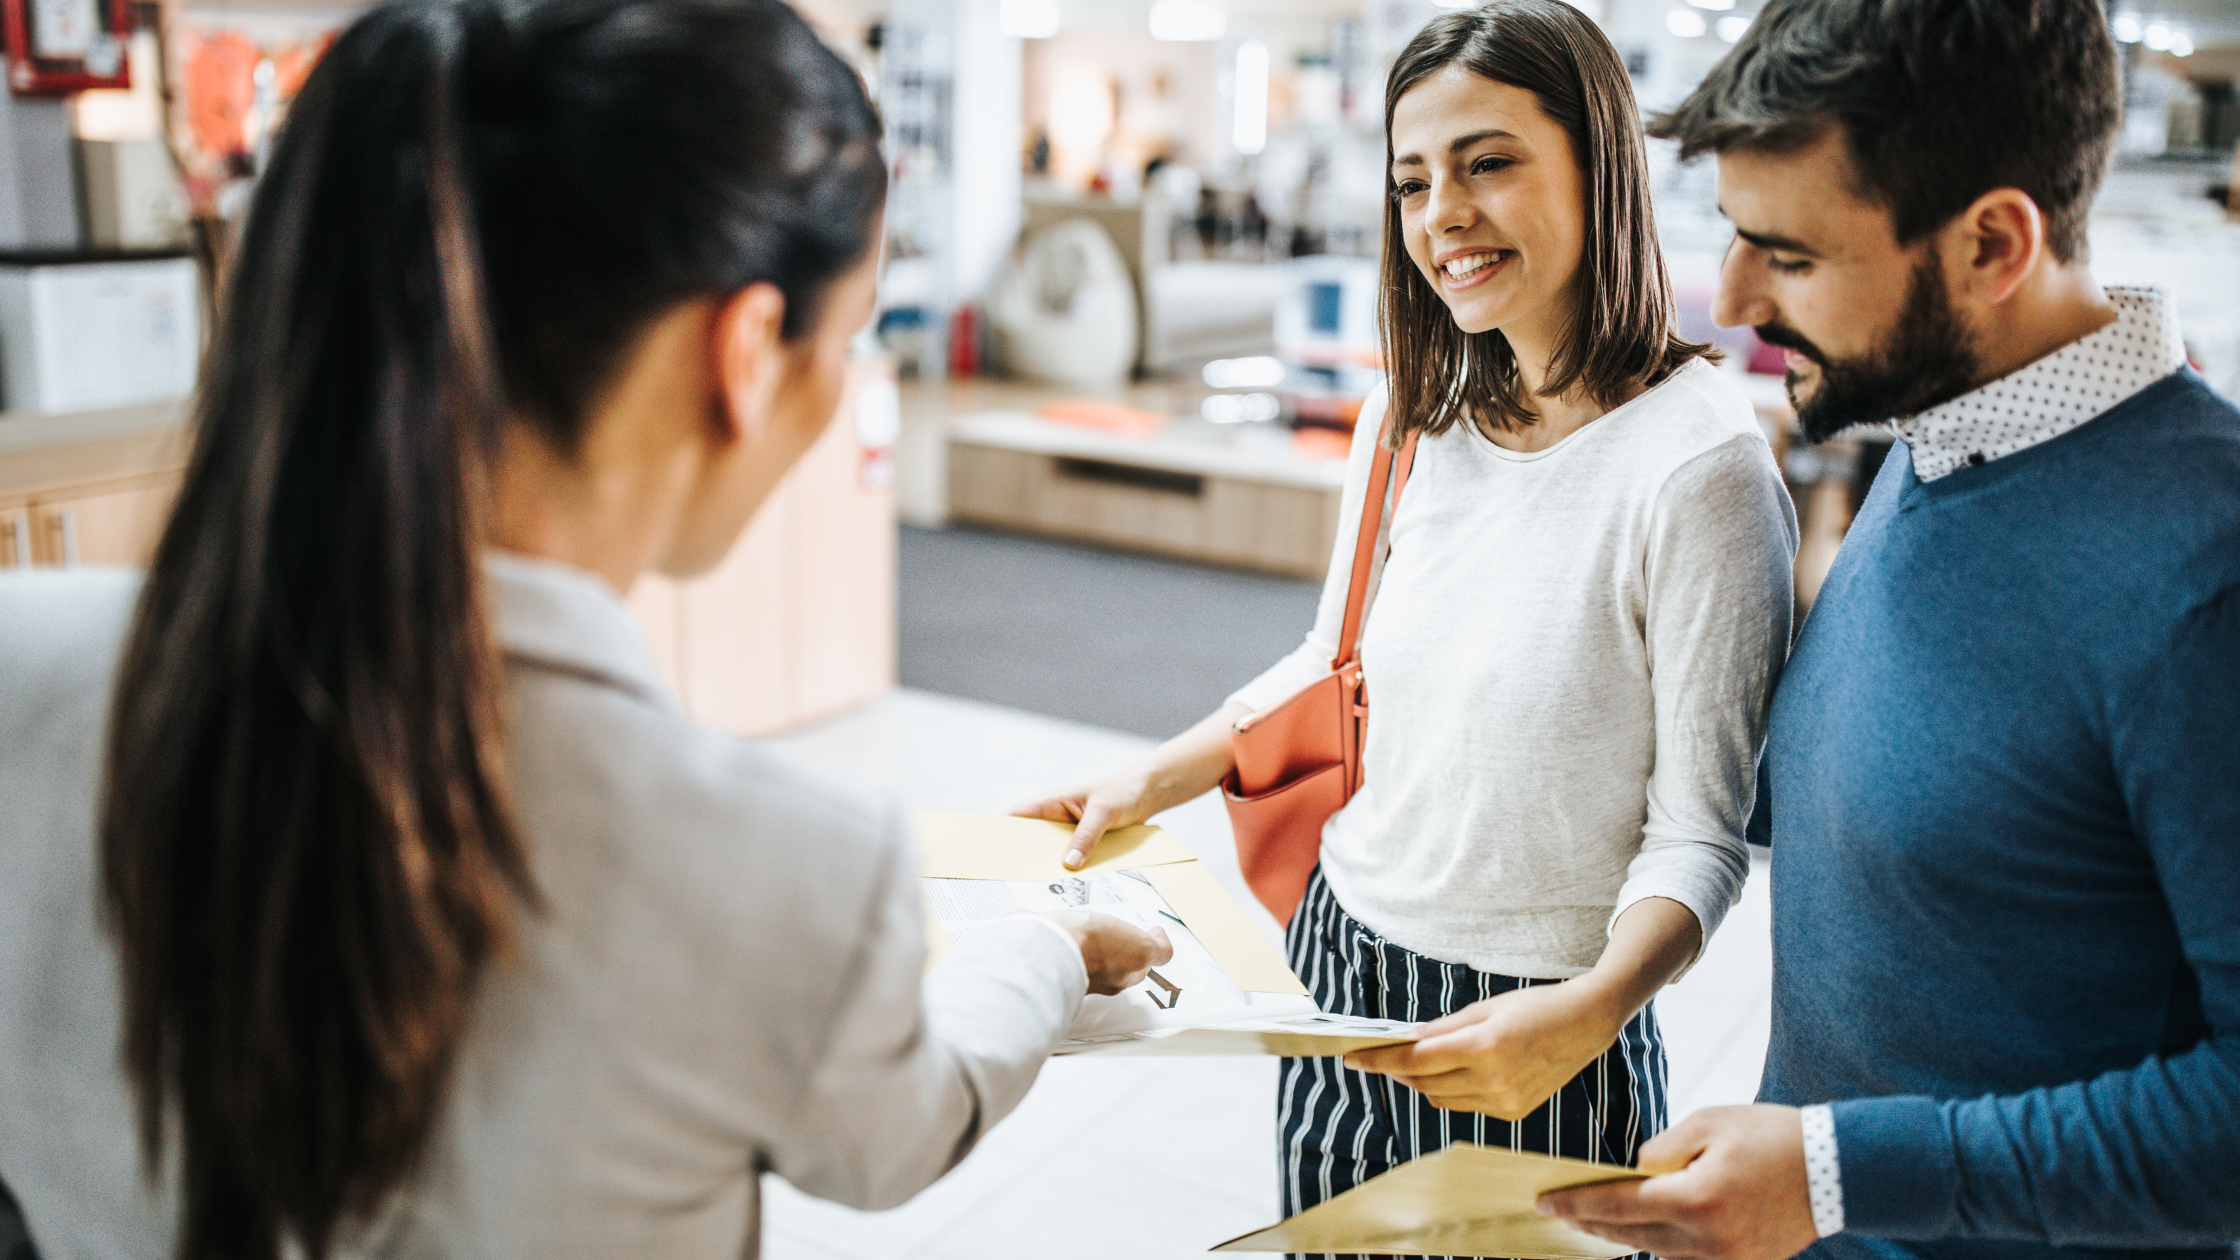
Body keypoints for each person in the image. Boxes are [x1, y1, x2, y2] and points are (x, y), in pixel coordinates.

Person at [0, 1, 1171, 1257]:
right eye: (854, 334)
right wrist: (1049, 946)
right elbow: (897, 1127)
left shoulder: (25, 664)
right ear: (746, 352)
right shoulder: (776, 866)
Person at [1014, 0, 1796, 1242]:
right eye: (1412, 180)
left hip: (1542, 1025)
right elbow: (1336, 661)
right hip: (1341, 974)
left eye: (1488, 162)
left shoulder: (1697, 468)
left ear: (1598, 163)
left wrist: (1594, 1009)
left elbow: (1700, 835)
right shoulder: (1409, 414)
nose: (1442, 215)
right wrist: (1149, 779)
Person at [1537, 0, 2240, 1256]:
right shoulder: (1942, 425)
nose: (1738, 295)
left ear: (1990, 246)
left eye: (1789, 256)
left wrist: (1833, 1169)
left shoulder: (2203, 575)